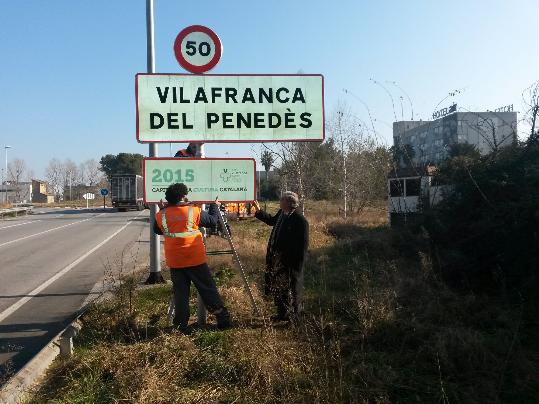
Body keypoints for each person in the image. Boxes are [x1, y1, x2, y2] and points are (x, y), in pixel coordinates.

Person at [154, 183, 231, 334]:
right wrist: (215, 205)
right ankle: (223, 318)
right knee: (207, 289)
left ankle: (181, 326)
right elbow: (212, 221)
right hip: (194, 259)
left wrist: (164, 209)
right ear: (182, 196)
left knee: (181, 294)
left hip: (175, 261)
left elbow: (157, 230)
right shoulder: (193, 211)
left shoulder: (161, 215)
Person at [252, 192, 309, 322]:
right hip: (277, 259)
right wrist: (258, 210)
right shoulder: (282, 213)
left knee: (293, 290)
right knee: (278, 287)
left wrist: (297, 266)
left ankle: (295, 318)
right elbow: (271, 221)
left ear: (289, 203)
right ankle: (282, 314)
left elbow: (303, 246)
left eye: (282, 199)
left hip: (290, 262)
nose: (279, 201)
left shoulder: (300, 220)